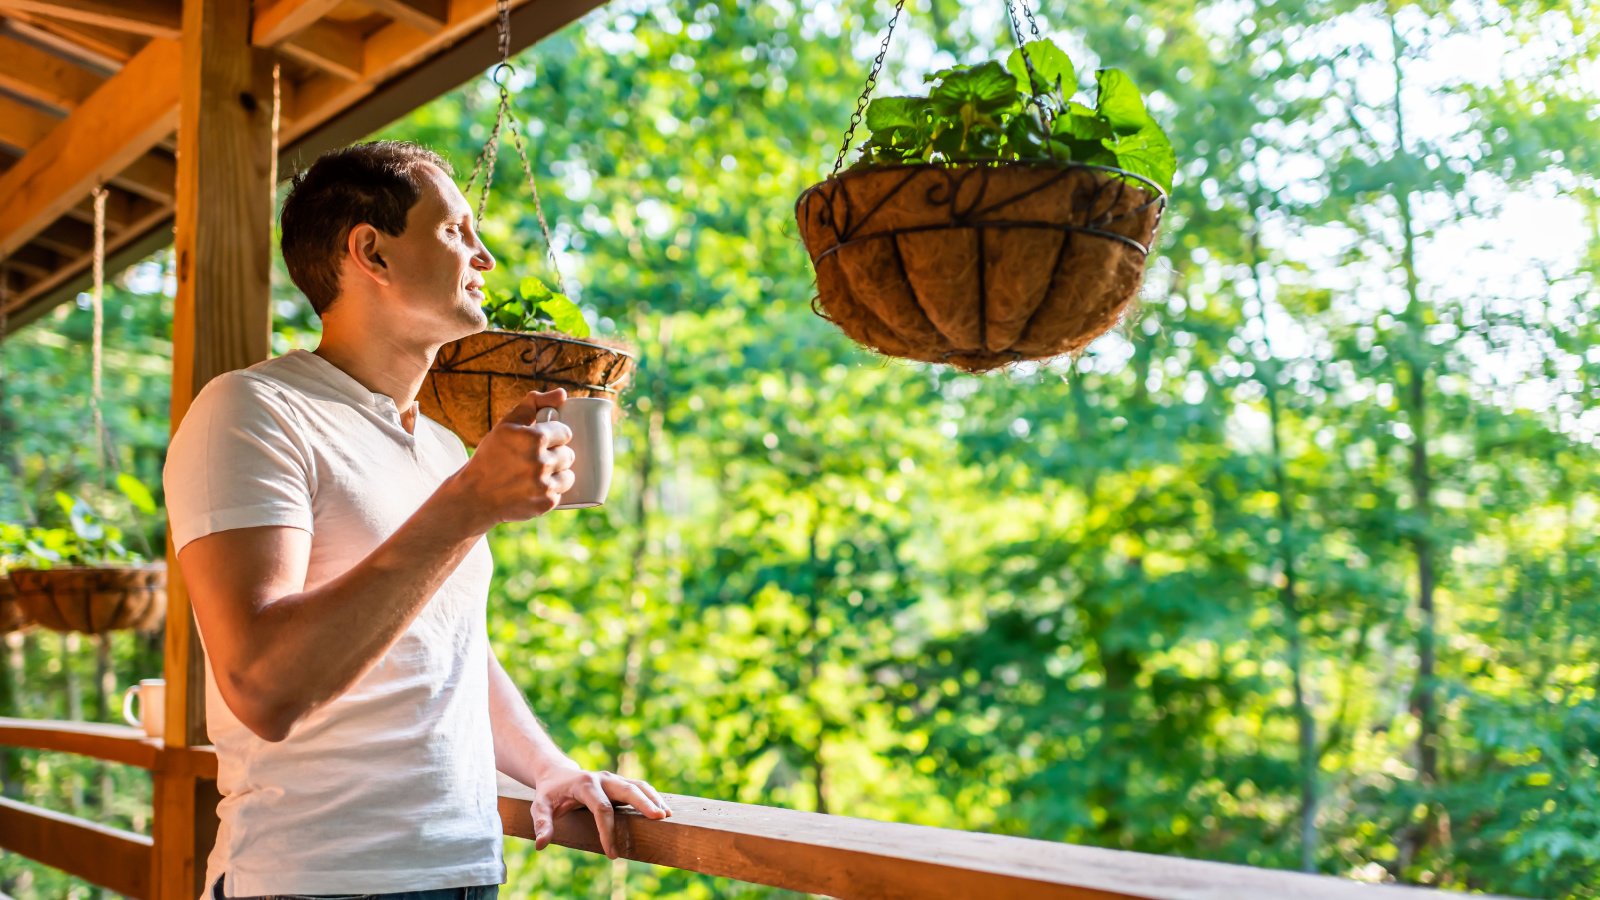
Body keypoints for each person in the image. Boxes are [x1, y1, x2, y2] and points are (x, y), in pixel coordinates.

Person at [164, 140, 670, 900]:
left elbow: (448, 647)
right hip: (314, 880)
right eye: (457, 231)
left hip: (465, 870)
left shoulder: (437, 443)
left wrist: (549, 767)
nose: (486, 257)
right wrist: (468, 504)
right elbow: (263, 685)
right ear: (371, 251)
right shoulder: (252, 411)